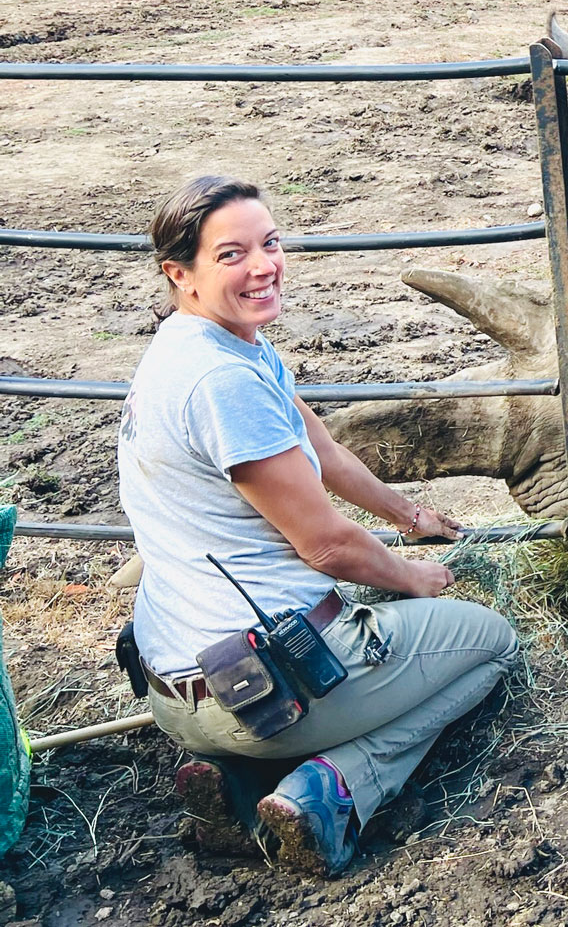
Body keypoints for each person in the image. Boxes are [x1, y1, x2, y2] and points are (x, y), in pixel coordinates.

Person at [118, 175, 519, 874]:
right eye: (232, 254)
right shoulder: (223, 384)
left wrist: (410, 515)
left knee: (400, 640)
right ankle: (332, 788)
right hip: (263, 690)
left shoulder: (211, 347)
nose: (264, 265)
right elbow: (326, 544)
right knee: (489, 644)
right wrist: (414, 577)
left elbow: (323, 451)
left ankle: (234, 786)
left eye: (270, 244)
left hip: (176, 686)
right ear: (179, 274)